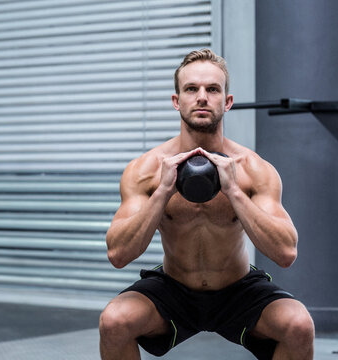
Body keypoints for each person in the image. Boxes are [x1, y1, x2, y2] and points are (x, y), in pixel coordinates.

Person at [99, 49, 315, 360]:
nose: (202, 97)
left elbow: (286, 254)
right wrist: (162, 192)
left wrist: (234, 192)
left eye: (212, 89)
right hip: (175, 289)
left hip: (237, 288)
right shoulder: (145, 171)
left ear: (227, 102)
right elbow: (118, 255)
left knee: (299, 325)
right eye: (191, 89)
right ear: (177, 101)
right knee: (114, 321)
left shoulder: (254, 170)